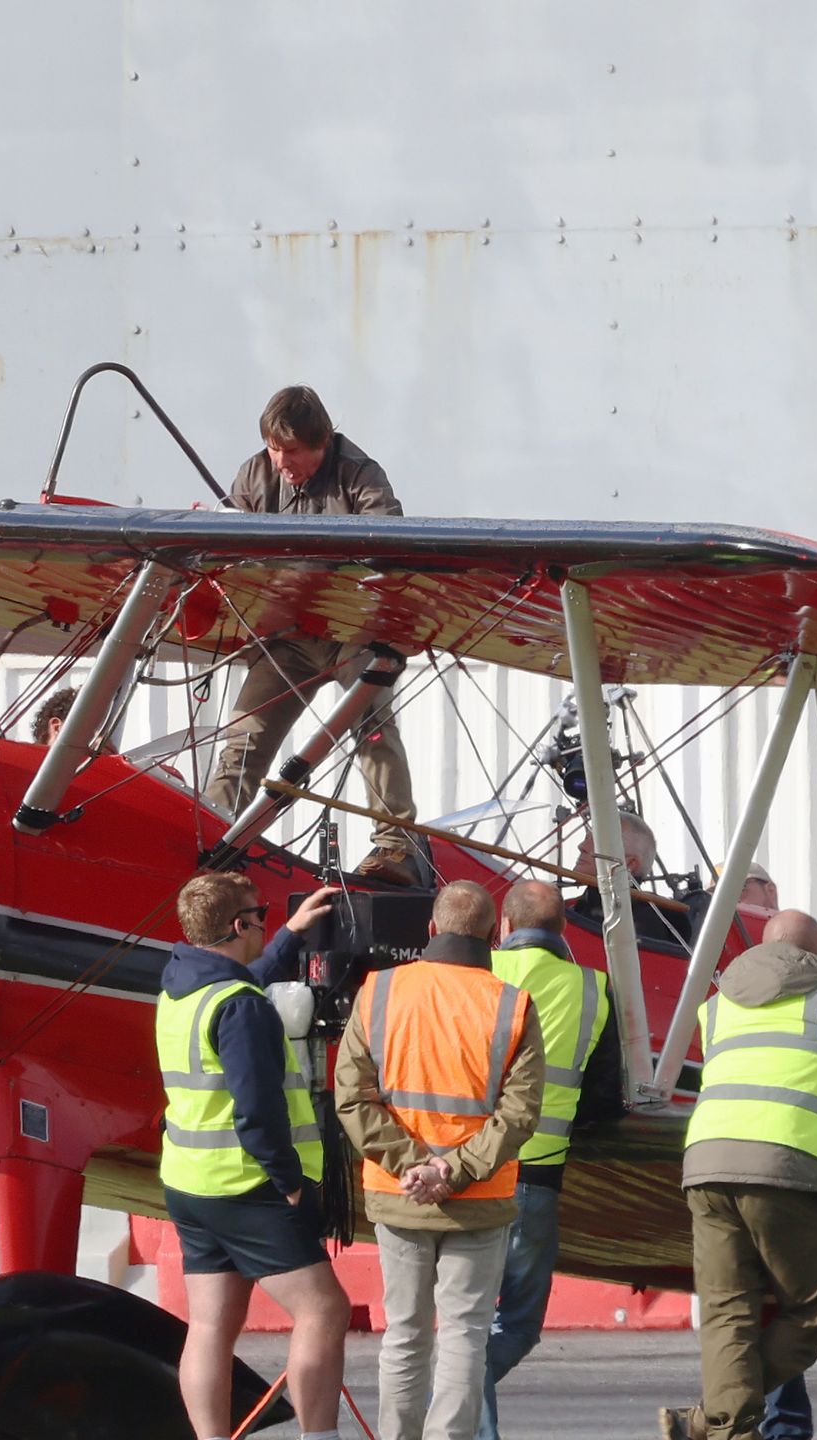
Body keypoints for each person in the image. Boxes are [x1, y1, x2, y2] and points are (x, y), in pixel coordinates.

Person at [335, 879, 543, 1440]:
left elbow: (352, 1097)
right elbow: (519, 1114)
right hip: (478, 1197)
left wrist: (412, 1165)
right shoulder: (512, 1005)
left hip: (399, 1193)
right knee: (465, 1336)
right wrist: (452, 1169)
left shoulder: (378, 993)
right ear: (493, 933)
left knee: (404, 1334)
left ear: (430, 929)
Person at [660, 909, 817, 1440]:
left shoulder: (715, 1007)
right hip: (795, 1168)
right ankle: (709, 1421)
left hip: (707, 1166)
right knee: (809, 1313)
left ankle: (723, 1427)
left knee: (727, 1311)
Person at [157, 873, 349, 1440]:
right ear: (239, 925)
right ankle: (320, 1436)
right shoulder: (241, 1008)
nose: (265, 920)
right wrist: (290, 1183)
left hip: (190, 1185)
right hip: (248, 1187)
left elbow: (242, 985)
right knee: (323, 1309)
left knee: (211, 1324)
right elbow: (258, 1112)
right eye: (260, 914)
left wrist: (288, 935)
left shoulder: (179, 988)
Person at [206, 385, 419, 884]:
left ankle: (395, 848)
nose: (282, 461)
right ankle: (214, 839)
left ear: (322, 441)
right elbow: (225, 549)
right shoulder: (254, 473)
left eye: (294, 451)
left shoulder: (361, 475)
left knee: (372, 724)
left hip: (353, 629)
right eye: (275, 449)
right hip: (289, 635)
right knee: (242, 738)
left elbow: (389, 543)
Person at [476, 878, 621, 1440]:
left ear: (504, 928)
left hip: (465, 1171)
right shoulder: (592, 987)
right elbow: (605, 1097)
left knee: (465, 1331)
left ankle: (460, 1393)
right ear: (564, 931)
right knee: (518, 1323)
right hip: (537, 1177)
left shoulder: (478, 975)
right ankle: (466, 1400)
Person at [569, 811, 710, 949]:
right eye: (587, 838)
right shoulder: (578, 907)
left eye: (597, 841)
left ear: (629, 864)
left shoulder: (643, 924)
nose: (582, 847)